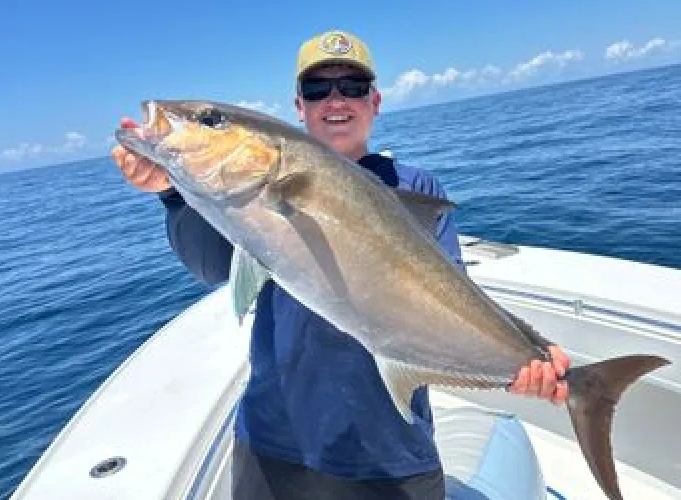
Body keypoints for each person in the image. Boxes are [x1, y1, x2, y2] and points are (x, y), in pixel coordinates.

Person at [111, 29, 570, 500]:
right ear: (299, 107)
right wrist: (172, 193)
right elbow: (211, 265)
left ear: (375, 102)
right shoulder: (238, 203)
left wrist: (523, 357)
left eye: (352, 87)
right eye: (318, 88)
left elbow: (452, 303)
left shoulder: (416, 190)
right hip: (272, 441)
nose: (336, 99)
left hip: (389, 454)